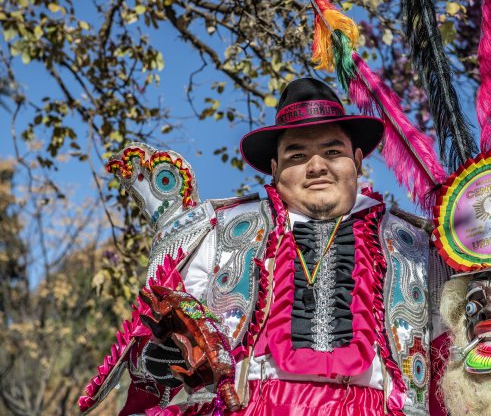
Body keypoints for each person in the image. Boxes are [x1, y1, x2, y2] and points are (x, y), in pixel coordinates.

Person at [80, 77, 434, 415]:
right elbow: (157, 352)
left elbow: (454, 355)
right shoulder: (218, 233)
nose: (316, 166)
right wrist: (161, 358)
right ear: (275, 169)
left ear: (356, 162)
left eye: (332, 150)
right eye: (297, 156)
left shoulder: (415, 243)